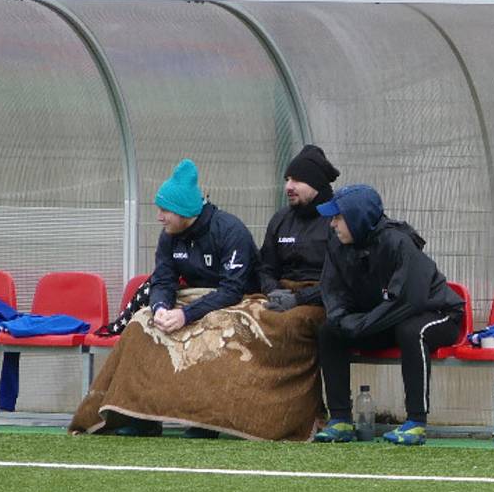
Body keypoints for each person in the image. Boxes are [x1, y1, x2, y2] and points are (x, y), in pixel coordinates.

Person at [117, 158, 263, 438]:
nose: (159, 217)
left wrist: (185, 315)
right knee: (141, 323)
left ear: (184, 211)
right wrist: (160, 307)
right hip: (187, 299)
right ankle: (143, 416)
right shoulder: (169, 236)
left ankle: (205, 420)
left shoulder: (231, 231)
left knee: (212, 328)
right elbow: (162, 280)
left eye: (164, 211)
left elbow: (233, 290)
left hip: (235, 300)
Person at [312, 184, 464, 446]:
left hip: (438, 313)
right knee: (330, 331)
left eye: (338, 217)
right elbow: (333, 290)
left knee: (411, 330)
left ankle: (416, 422)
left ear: (357, 217)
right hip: (386, 318)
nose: (332, 224)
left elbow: (408, 301)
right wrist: (342, 320)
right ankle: (340, 420)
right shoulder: (338, 245)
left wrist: (362, 325)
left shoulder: (398, 242)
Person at [260, 145, 339, 311]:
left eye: (296, 180)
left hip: (320, 302)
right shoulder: (281, 219)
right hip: (281, 294)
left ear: (316, 183)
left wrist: (299, 299)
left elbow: (342, 280)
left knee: (283, 326)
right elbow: (265, 267)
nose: (288, 187)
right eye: (287, 179)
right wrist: (273, 289)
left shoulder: (338, 220)